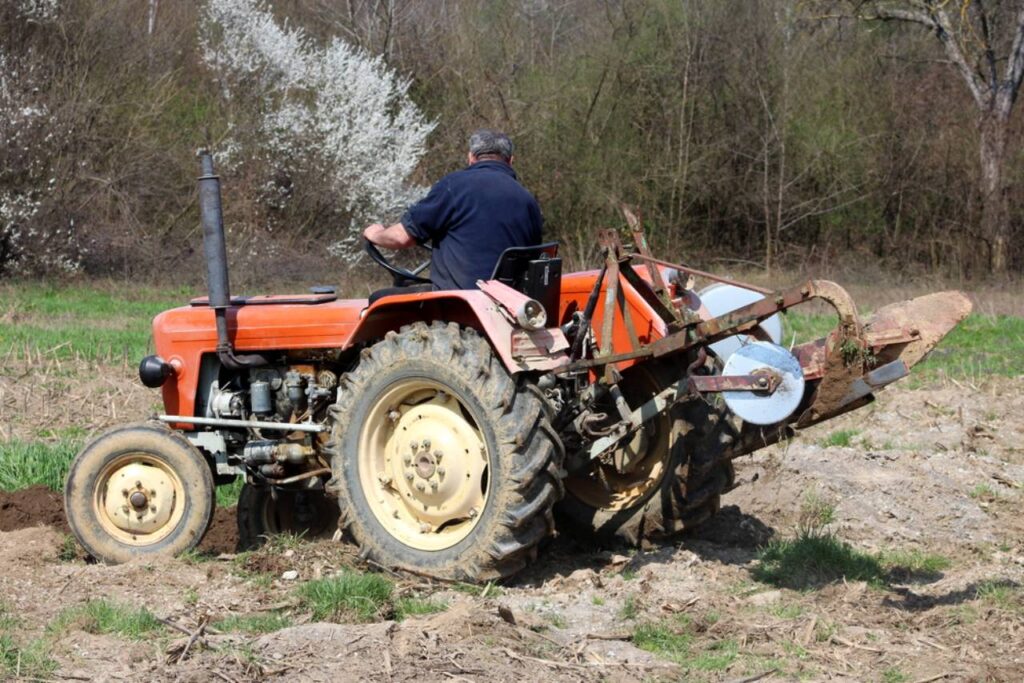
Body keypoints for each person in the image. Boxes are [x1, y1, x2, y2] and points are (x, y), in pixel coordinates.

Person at [362, 129, 543, 291]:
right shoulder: (528, 200)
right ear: (510, 161)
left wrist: (376, 234)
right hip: (511, 304)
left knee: (379, 298)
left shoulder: (454, 187)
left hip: (458, 304)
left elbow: (401, 237)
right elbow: (535, 257)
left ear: (471, 157)